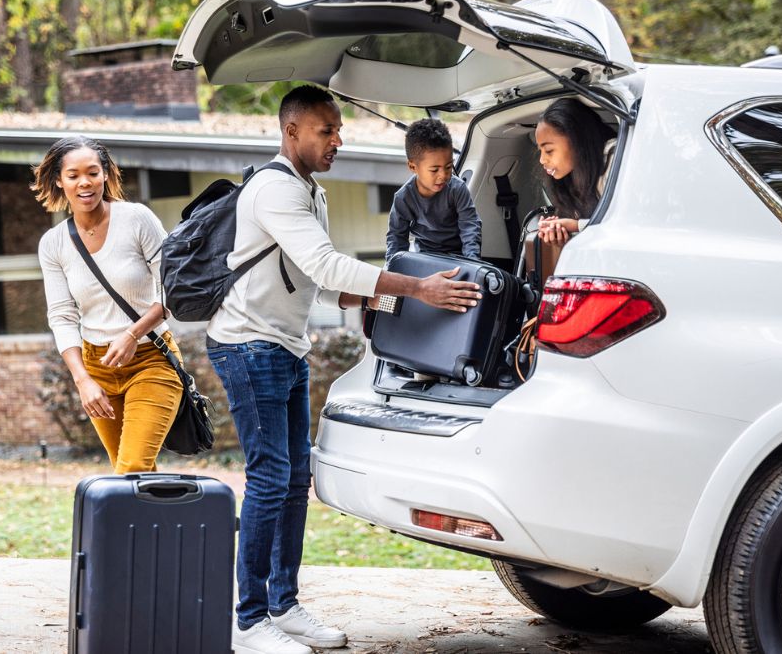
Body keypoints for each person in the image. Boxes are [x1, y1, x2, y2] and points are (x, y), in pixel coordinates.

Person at [207, 85, 483, 654]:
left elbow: (320, 283)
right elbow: (327, 262)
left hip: (285, 344)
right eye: (325, 130)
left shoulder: (312, 192)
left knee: (293, 481)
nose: (338, 138)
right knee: (268, 478)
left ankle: (282, 605)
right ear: (292, 133)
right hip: (246, 345)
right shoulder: (273, 190)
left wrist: (387, 307)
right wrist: (419, 287)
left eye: (338, 129)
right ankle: (247, 619)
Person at [34, 136, 183, 474]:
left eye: (92, 172)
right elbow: (61, 316)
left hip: (151, 358)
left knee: (132, 468)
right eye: (73, 175)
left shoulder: (136, 219)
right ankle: (154, 527)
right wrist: (82, 379)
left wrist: (133, 334)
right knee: (128, 474)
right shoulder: (54, 244)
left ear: (105, 175)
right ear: (59, 181)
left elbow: (173, 289)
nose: (84, 182)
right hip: (96, 367)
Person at [385, 118, 482, 262]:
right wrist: (393, 268)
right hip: (426, 257)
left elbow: (470, 226)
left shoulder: (457, 189)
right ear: (413, 167)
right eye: (434, 170)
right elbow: (396, 238)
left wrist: (472, 261)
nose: (443, 175)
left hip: (460, 256)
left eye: (448, 167)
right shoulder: (403, 198)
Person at [534, 97, 617, 247]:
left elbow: (622, 226)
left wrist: (576, 226)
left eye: (549, 150)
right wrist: (562, 230)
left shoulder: (614, 159)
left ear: (576, 138)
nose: (542, 160)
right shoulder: (572, 177)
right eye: (540, 151)